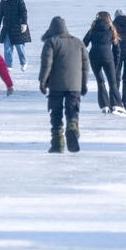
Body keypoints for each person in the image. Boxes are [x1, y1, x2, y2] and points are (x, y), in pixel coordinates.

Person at [38, 16, 90, 153]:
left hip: (56, 85)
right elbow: (85, 66)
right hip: (75, 85)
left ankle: (57, 142)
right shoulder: (78, 43)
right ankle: (72, 125)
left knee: (56, 113)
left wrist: (42, 81)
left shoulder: (51, 42)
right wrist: (84, 84)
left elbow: (47, 64)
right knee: (72, 109)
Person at [83, 11, 126, 116]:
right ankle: (116, 105)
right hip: (108, 58)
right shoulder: (111, 30)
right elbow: (117, 49)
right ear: (108, 19)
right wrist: (115, 64)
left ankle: (105, 106)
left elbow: (83, 44)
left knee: (100, 82)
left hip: (94, 58)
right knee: (112, 82)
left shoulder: (92, 30)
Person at [0, 0, 31, 71]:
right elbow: (0, 14)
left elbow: (24, 12)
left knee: (19, 47)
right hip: (7, 27)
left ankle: (23, 62)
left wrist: (24, 23)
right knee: (7, 48)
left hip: (17, 27)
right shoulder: (3, 1)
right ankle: (8, 65)